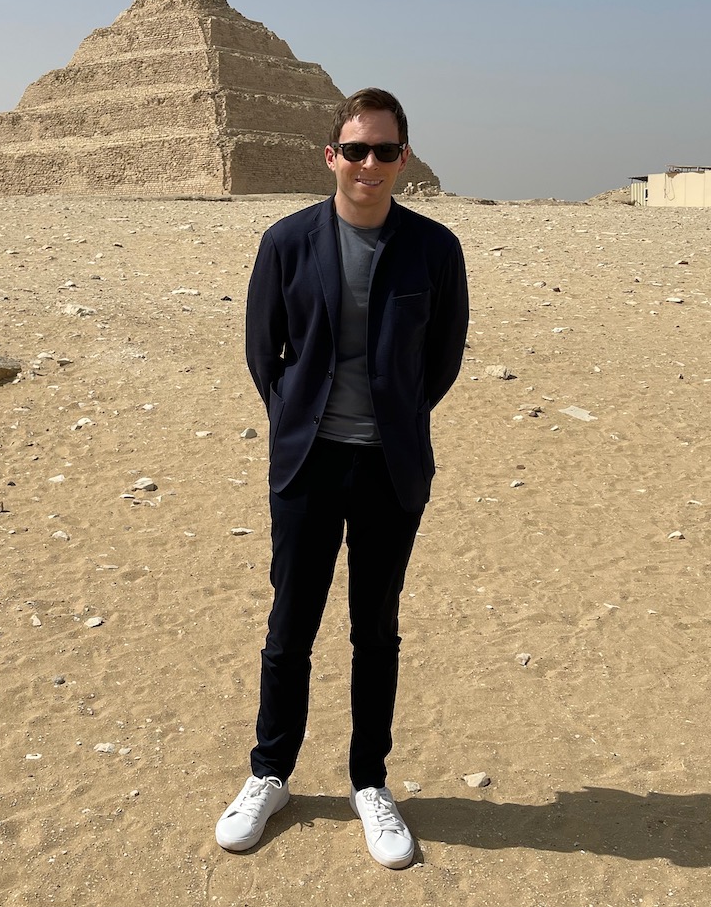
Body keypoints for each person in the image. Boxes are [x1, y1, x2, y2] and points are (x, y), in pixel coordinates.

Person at [215, 88, 469, 868]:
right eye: (355, 149)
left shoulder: (434, 248)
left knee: (375, 628)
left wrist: (389, 418)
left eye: (384, 151)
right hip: (308, 461)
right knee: (291, 625)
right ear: (330, 156)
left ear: (403, 159)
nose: (368, 164)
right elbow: (267, 354)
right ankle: (270, 772)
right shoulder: (287, 241)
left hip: (390, 465)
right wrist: (305, 416)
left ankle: (370, 782)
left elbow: (443, 359)